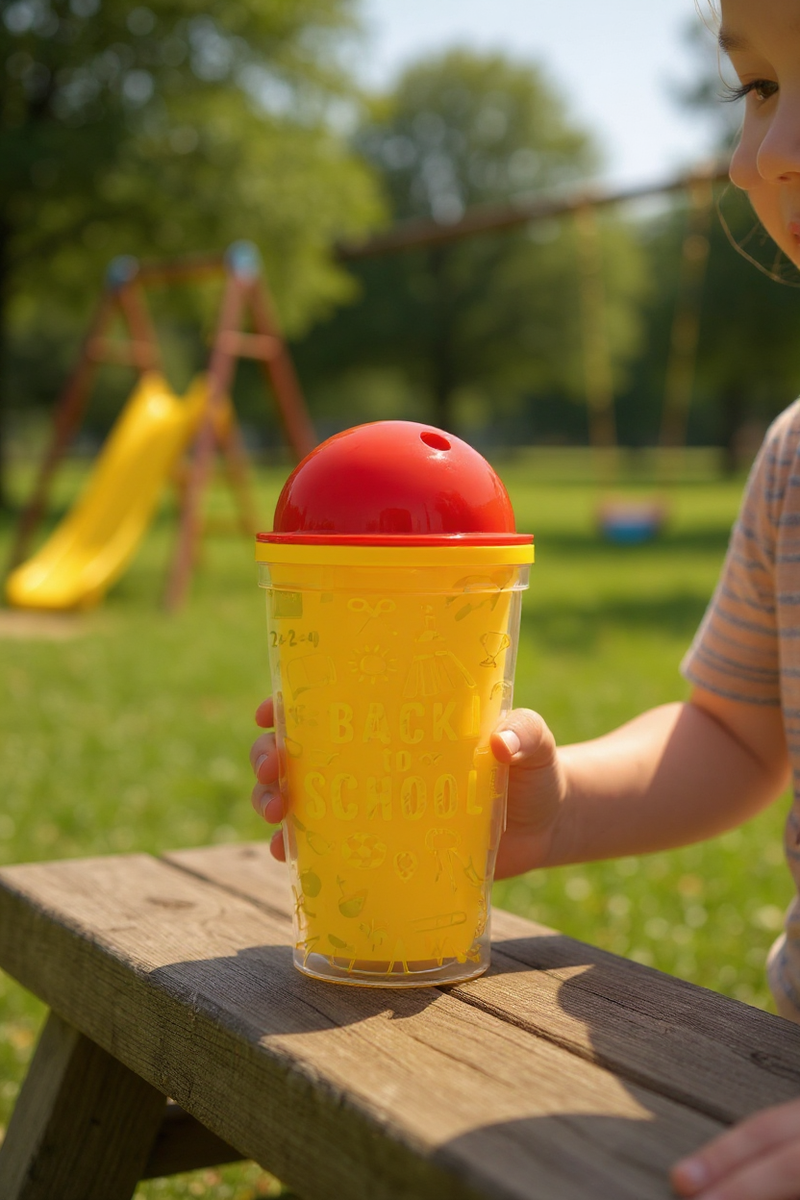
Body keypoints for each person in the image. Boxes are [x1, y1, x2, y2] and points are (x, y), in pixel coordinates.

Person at [251, 1, 800, 1194]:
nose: (763, 154)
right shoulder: (793, 460)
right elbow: (737, 732)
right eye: (756, 89)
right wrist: (550, 810)